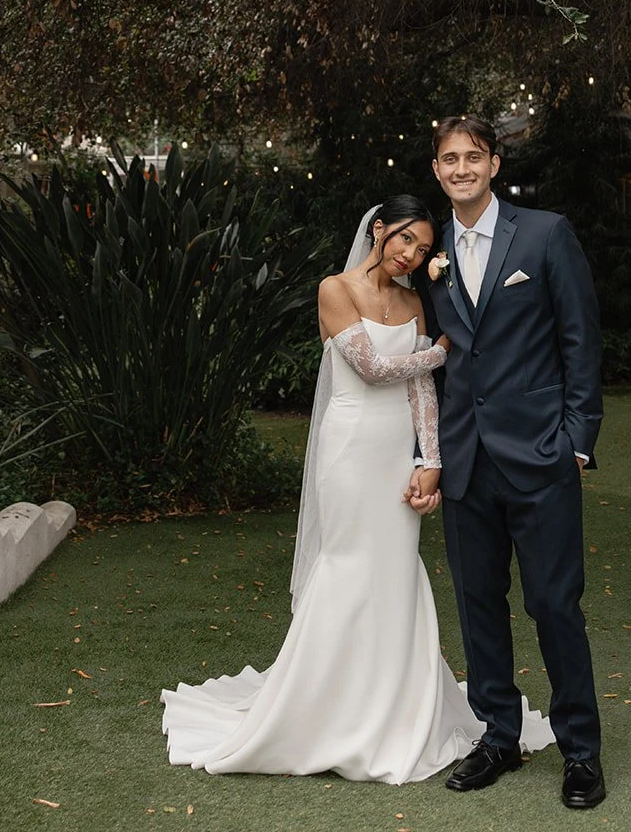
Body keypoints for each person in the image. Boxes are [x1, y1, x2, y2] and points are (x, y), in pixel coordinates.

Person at [160, 193, 552, 784]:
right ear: (378, 230)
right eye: (404, 239)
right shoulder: (335, 289)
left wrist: (430, 459)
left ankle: (395, 705)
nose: (411, 255)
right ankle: (324, 710)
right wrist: (441, 351)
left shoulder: (415, 301)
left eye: (423, 248)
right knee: (346, 566)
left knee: (396, 569)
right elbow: (371, 368)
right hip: (349, 450)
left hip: (397, 452)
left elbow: (420, 393)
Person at [418, 115, 605, 810]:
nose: (461, 168)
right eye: (449, 159)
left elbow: (580, 338)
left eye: (473, 156)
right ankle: (498, 737)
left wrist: (576, 439)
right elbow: (431, 358)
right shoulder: (429, 250)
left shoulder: (545, 234)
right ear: (436, 170)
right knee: (477, 606)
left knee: (554, 604)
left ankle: (580, 751)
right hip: (465, 457)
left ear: (494, 164)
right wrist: (428, 452)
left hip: (540, 454)